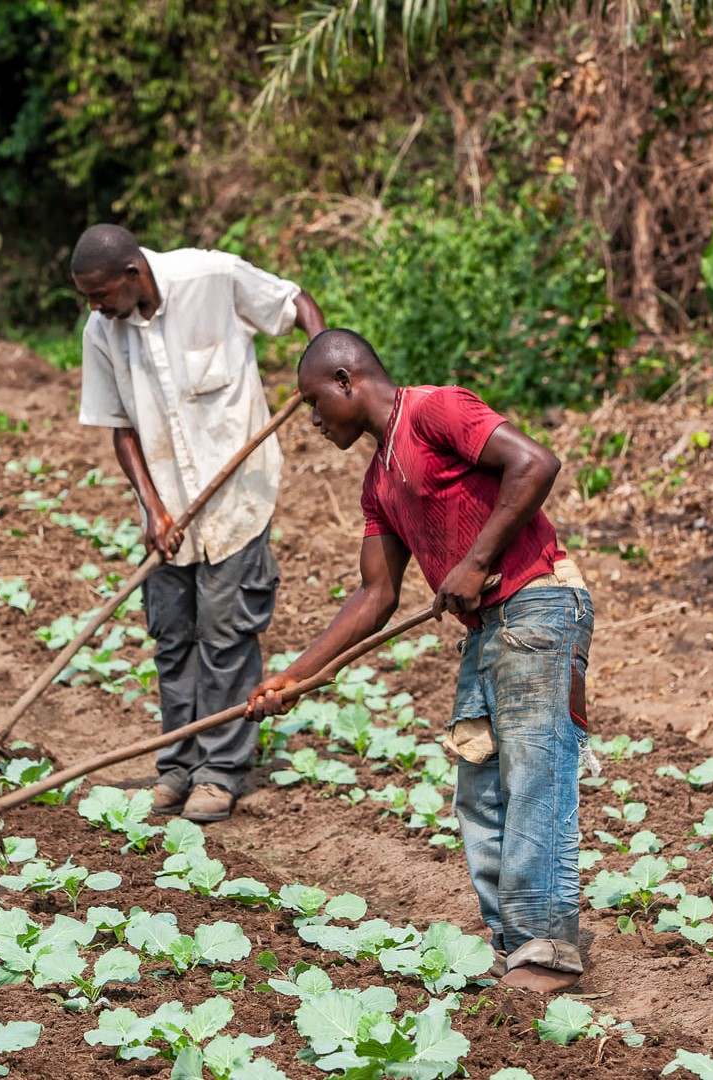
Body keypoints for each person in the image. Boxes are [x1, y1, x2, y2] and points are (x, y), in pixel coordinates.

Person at [245, 329, 593, 994]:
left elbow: (536, 463)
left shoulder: (435, 411)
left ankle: (548, 950)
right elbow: (375, 595)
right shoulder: (379, 483)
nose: (313, 421)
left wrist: (478, 559)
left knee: (534, 774)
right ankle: (515, 945)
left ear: (347, 381)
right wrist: (294, 676)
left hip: (540, 604)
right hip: (489, 628)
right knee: (480, 789)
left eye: (316, 403)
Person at [71, 223, 326, 823]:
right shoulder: (102, 331)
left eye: (101, 293)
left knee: (226, 637)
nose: (95, 306)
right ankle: (176, 765)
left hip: (238, 500)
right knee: (173, 640)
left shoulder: (210, 277)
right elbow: (122, 429)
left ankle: (220, 771)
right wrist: (155, 508)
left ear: (133, 274)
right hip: (166, 516)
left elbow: (296, 304)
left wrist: (323, 364)